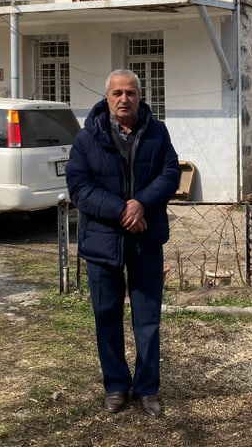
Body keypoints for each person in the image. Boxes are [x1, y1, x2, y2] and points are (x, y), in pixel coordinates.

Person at [66, 69, 180, 418]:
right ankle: (116, 385)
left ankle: (147, 389)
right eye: (117, 93)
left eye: (130, 92)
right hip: (103, 244)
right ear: (107, 97)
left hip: (146, 241)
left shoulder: (157, 132)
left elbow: (171, 173)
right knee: (106, 317)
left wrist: (141, 203)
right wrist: (122, 210)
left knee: (147, 320)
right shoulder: (87, 138)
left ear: (140, 96)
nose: (124, 99)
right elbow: (79, 188)